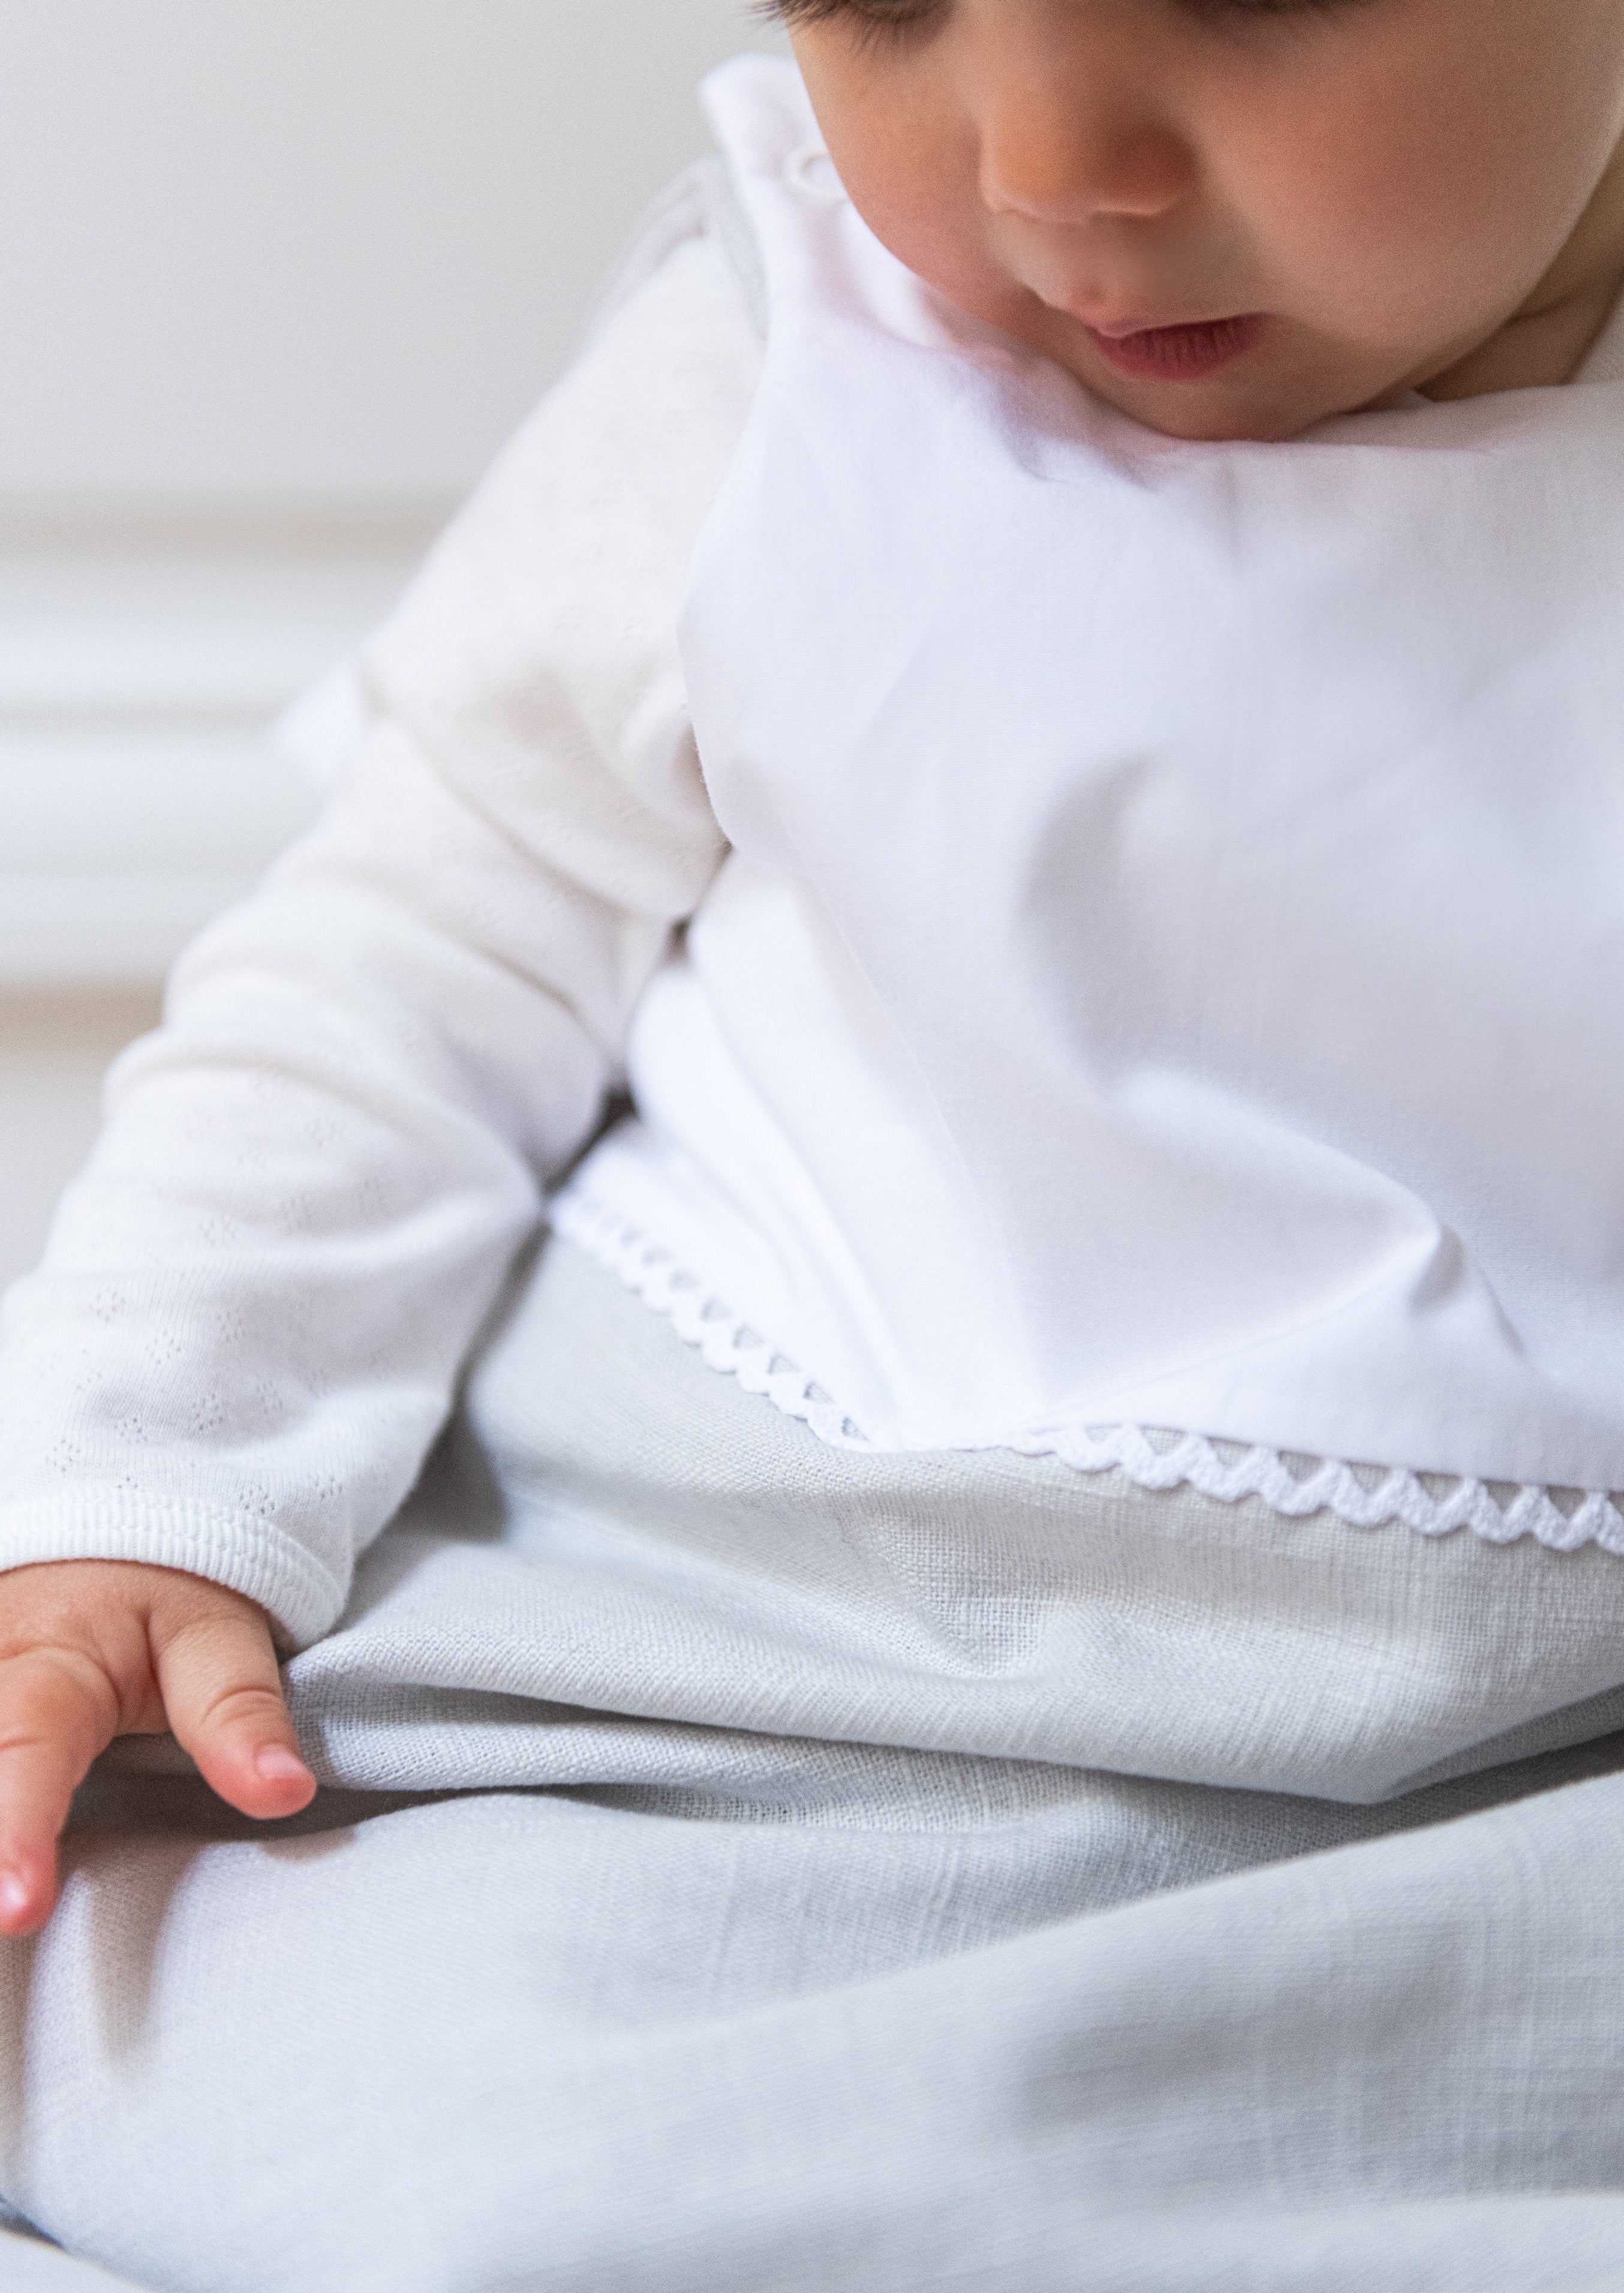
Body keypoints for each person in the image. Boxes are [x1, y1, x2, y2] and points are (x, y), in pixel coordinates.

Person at [2, 2, 1624, 2285]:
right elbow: (402, 971)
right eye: (878, 1)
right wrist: (133, 1483)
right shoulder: (790, 360)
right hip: (722, 1625)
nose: (1046, 164)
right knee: (411, 2083)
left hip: (1504, 1741)